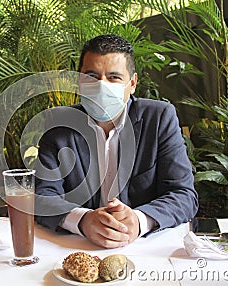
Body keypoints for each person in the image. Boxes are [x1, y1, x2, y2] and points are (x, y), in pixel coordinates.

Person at [34, 34, 198, 249]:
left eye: (113, 77)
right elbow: (40, 194)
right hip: (78, 246)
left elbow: (183, 194)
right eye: (91, 76)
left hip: (146, 248)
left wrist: (139, 221)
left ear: (132, 83)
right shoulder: (59, 122)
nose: (101, 86)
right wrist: (82, 220)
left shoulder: (159, 118)